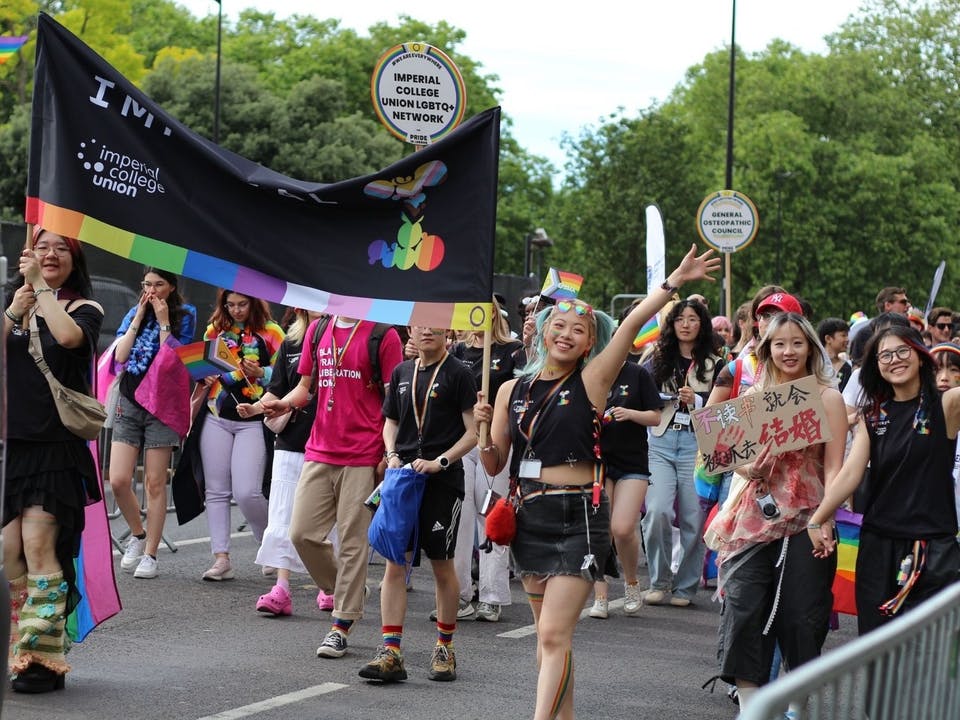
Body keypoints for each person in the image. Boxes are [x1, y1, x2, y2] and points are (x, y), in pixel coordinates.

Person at [473, 245, 719, 720]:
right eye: (558, 326)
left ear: (590, 343)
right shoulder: (510, 389)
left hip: (577, 518)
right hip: (528, 516)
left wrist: (674, 282)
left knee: (552, 636)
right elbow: (493, 462)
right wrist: (484, 430)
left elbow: (630, 326)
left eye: (578, 330)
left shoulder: (592, 381)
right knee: (548, 639)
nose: (565, 334)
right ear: (543, 331)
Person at [704, 312, 847, 713]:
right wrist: (745, 466)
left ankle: (795, 703)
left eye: (797, 343)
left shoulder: (827, 397)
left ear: (810, 348)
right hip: (752, 519)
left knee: (802, 617)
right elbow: (722, 453)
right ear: (766, 349)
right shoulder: (752, 399)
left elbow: (834, 466)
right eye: (779, 344)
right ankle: (751, 705)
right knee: (744, 607)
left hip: (808, 519)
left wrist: (826, 518)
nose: (788, 351)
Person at [263, 314, 402, 657]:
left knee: (354, 543)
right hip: (319, 450)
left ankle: (341, 625)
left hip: (363, 453)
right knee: (301, 534)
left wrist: (388, 452)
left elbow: (393, 402)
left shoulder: (383, 334)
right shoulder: (319, 328)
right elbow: (304, 387)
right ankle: (348, 589)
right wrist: (283, 402)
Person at [807, 325, 960, 636]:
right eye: (885, 355)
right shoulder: (872, 416)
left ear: (920, 355)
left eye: (903, 351)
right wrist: (817, 519)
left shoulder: (946, 405)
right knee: (877, 644)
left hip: (933, 548)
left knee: (929, 647)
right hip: (879, 546)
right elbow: (850, 473)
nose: (895, 360)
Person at [4, 228, 105, 692]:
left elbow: (67, 340)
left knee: (41, 547)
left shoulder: (84, 308)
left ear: (73, 260)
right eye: (42, 246)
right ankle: (21, 648)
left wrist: (41, 292)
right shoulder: (21, 304)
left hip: (55, 447)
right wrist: (15, 307)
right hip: (13, 445)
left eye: (60, 248)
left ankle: (44, 660)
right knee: (10, 553)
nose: (50, 253)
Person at [358, 325, 476, 682]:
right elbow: (389, 422)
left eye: (435, 325)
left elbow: (473, 432)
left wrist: (442, 461)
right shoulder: (401, 372)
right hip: (403, 479)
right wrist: (392, 453)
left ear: (447, 331)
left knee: (442, 566)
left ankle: (445, 647)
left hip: (442, 482)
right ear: (411, 328)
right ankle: (391, 651)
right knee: (395, 563)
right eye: (420, 324)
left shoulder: (459, 373)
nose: (427, 330)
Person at [234, 308, 322, 614]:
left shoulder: (343, 341)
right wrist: (256, 409)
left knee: (327, 519)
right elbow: (277, 389)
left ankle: (330, 586)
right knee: (283, 515)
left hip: (329, 444)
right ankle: (281, 589)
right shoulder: (292, 343)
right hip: (291, 440)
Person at [110, 268, 197, 579]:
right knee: (119, 479)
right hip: (130, 400)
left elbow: (170, 360)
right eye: (147, 284)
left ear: (171, 287)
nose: (152, 290)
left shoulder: (185, 314)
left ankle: (151, 555)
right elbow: (120, 356)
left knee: (155, 482)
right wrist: (138, 318)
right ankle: (138, 534)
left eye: (159, 285)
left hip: (162, 405)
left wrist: (162, 321)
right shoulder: (135, 310)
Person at [197, 290, 284, 581]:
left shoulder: (271, 332)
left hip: (254, 417)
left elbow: (289, 373)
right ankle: (221, 559)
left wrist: (262, 371)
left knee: (247, 491)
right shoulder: (215, 330)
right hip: (217, 414)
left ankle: (270, 546)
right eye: (230, 305)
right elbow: (201, 367)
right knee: (216, 490)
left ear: (255, 302)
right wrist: (204, 374)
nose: (236, 310)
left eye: (242, 304)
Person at [449, 297, 526, 622]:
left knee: (492, 516)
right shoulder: (456, 352)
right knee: (461, 519)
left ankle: (492, 595)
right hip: (460, 442)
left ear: (494, 313)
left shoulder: (512, 350)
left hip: (495, 444)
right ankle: (460, 593)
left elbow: (523, 393)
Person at [642, 298, 721, 607]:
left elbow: (725, 409)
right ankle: (659, 580)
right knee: (657, 511)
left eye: (692, 318)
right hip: (659, 441)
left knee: (692, 518)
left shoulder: (716, 362)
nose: (686, 324)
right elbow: (640, 395)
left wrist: (698, 402)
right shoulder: (656, 357)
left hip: (697, 446)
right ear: (671, 324)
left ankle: (686, 586)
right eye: (680, 319)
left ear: (702, 324)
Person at [588, 301, 662, 619]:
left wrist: (629, 413)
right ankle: (600, 596)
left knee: (622, 528)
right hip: (598, 461)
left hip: (632, 462)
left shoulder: (637, 373)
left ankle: (632, 582)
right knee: (599, 528)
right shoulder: (590, 372)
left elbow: (656, 417)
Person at [816, 317, 851, 392]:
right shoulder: (814, 364)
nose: (847, 339)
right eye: (843, 335)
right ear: (828, 338)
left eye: (847, 335)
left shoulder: (847, 367)